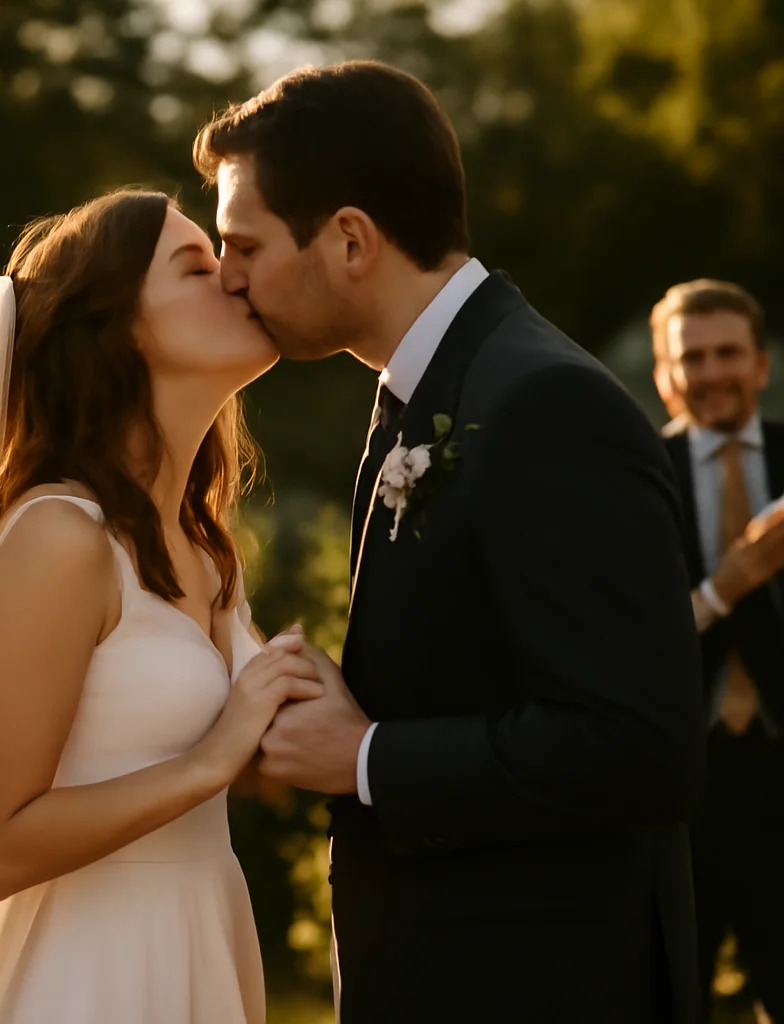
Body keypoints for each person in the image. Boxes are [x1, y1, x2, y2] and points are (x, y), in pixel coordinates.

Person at [196, 61, 705, 1022]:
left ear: (350, 239)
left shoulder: (542, 405)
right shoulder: (432, 390)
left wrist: (366, 756)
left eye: (243, 244)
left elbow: (641, 746)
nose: (228, 276)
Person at [0, 190, 325, 1024]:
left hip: (201, 944)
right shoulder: (62, 536)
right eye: (194, 265)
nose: (234, 278)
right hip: (90, 977)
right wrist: (209, 761)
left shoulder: (200, 540)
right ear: (113, 330)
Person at [652, 279, 784, 1019]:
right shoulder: (633, 475)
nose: (710, 374)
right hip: (681, 786)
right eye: (690, 359)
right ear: (665, 379)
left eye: (727, 353)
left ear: (761, 364)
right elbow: (624, 639)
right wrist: (726, 585)